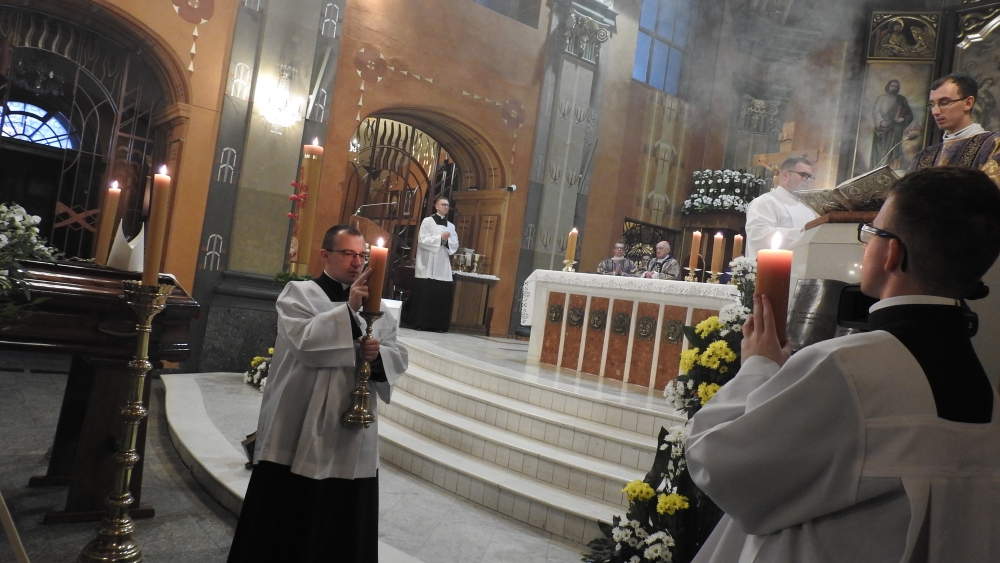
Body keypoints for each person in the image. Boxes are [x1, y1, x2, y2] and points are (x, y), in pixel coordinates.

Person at [686, 166, 1000, 562]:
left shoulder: (845, 368)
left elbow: (716, 463)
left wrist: (758, 366)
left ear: (892, 253)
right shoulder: (987, 393)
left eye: (871, 233)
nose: (866, 245)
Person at [228, 225, 409, 563]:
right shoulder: (298, 294)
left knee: (343, 518)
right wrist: (349, 310)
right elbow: (307, 345)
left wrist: (377, 357)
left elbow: (397, 354)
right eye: (348, 253)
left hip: (351, 430)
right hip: (300, 424)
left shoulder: (378, 307)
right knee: (291, 516)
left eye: (362, 255)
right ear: (325, 255)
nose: (357, 262)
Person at [909, 72, 1000, 179]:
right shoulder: (924, 156)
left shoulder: (993, 144)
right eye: (932, 105)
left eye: (944, 102)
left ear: (968, 103)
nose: (935, 112)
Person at [743, 157, 818, 259]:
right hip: (771, 265)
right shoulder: (765, 201)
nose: (808, 180)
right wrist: (802, 233)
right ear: (785, 175)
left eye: (810, 177)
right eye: (803, 175)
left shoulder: (808, 208)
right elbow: (758, 235)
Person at [406, 196, 459, 331]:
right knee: (425, 293)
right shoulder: (427, 221)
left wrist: (446, 241)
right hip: (428, 263)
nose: (446, 207)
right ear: (436, 206)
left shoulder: (451, 226)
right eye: (443, 204)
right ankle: (420, 323)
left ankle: (438, 325)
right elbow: (422, 240)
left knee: (440, 296)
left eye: (447, 205)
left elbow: (455, 244)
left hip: (442, 264)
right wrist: (440, 238)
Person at [870, 79, 914, 170]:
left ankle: (890, 170)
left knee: (891, 153)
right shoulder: (881, 98)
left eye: (896, 87)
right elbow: (876, 112)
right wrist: (881, 122)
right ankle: (876, 170)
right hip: (880, 129)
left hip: (894, 130)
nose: (894, 88)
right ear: (888, 86)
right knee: (879, 153)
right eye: (892, 86)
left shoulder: (901, 99)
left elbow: (910, 115)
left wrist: (902, 119)